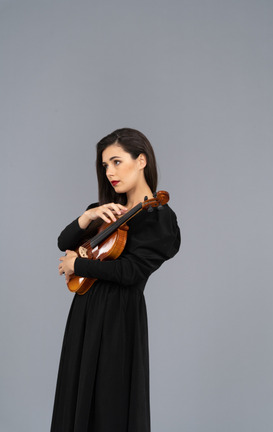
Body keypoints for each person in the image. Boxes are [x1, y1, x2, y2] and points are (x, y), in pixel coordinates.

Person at [50, 128, 181, 432]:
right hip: (85, 313)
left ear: (141, 161)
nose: (110, 172)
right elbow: (63, 241)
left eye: (117, 162)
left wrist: (78, 264)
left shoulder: (159, 217)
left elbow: (131, 273)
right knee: (76, 396)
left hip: (118, 318)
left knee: (110, 402)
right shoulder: (106, 213)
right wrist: (89, 216)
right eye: (105, 165)